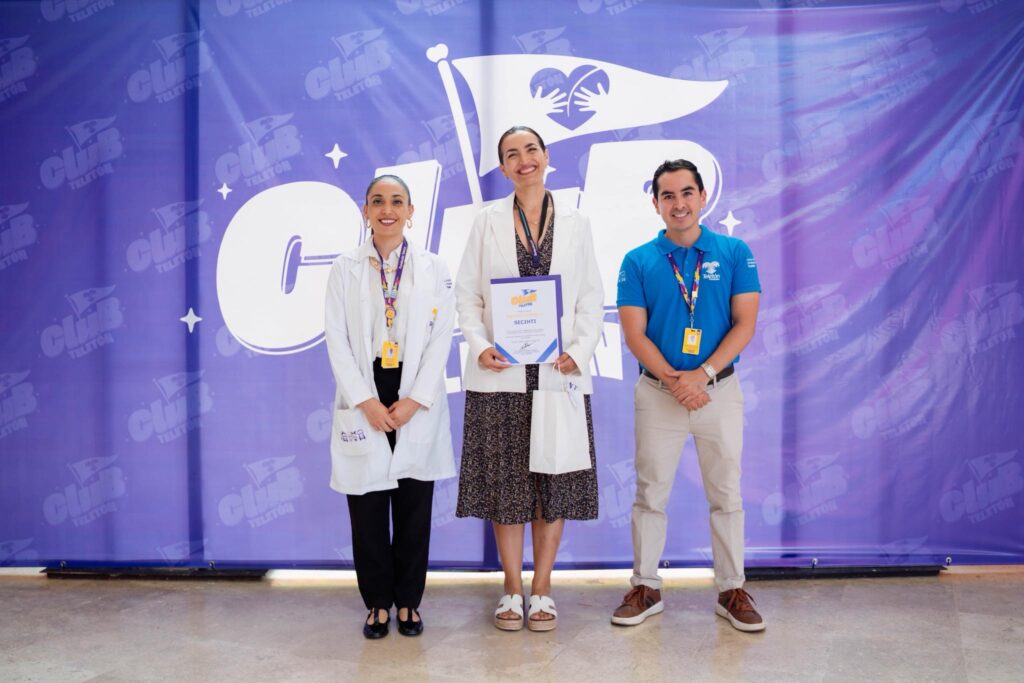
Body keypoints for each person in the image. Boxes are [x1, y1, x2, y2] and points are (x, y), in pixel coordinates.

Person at [455, 126, 604, 631]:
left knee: (552, 482)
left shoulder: (577, 222)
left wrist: (578, 352)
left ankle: (542, 588)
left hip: (558, 373)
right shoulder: (486, 222)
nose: (524, 160)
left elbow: (591, 298)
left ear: (546, 156)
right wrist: (480, 345)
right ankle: (512, 589)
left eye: (531, 150)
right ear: (503, 168)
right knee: (507, 486)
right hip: (502, 373)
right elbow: (467, 296)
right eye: (512, 154)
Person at [612, 159, 765, 632]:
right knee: (650, 493)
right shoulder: (638, 260)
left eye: (686, 193)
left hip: (719, 390)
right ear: (655, 203)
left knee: (727, 493)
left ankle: (731, 589)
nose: (678, 204)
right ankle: (645, 586)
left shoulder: (734, 252)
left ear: (702, 197)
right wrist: (678, 381)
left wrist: (703, 374)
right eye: (668, 195)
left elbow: (745, 324)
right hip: (659, 393)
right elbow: (634, 334)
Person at [324, 174, 456, 639]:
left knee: (415, 508)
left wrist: (415, 399)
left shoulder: (434, 268)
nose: (387, 209)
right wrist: (365, 400)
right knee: (367, 508)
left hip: (414, 392)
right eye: (378, 201)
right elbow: (337, 339)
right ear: (365, 211)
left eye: (397, 201)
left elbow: (441, 337)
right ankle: (378, 603)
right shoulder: (344, 268)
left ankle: (409, 603)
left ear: (411, 211)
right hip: (365, 389)